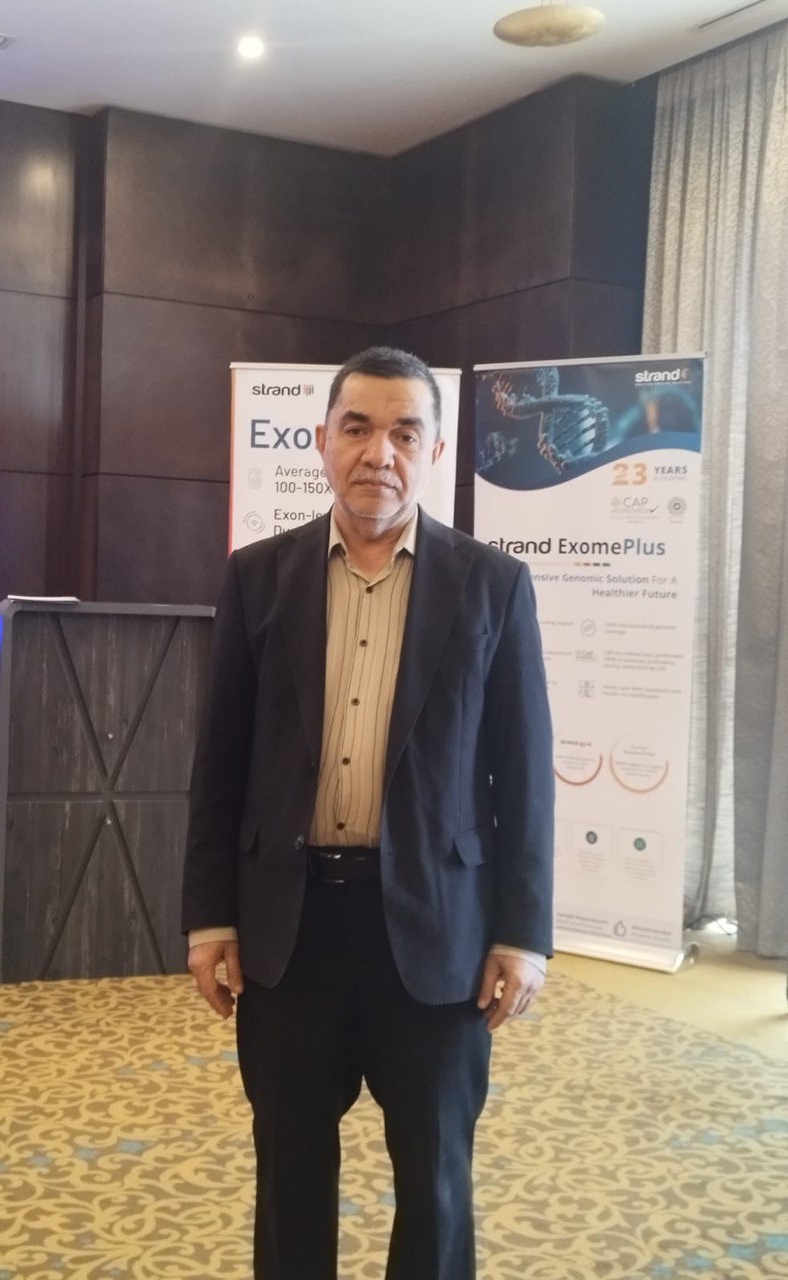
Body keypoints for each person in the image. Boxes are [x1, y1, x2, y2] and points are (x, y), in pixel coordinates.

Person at [182, 346, 554, 1280]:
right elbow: (220, 764)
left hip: (438, 936)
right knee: (290, 1176)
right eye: (357, 428)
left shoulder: (493, 585)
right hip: (291, 930)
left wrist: (523, 935)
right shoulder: (257, 577)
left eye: (404, 433)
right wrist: (211, 916)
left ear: (434, 452)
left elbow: (524, 773)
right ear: (322, 441)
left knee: (435, 1184)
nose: (378, 453)